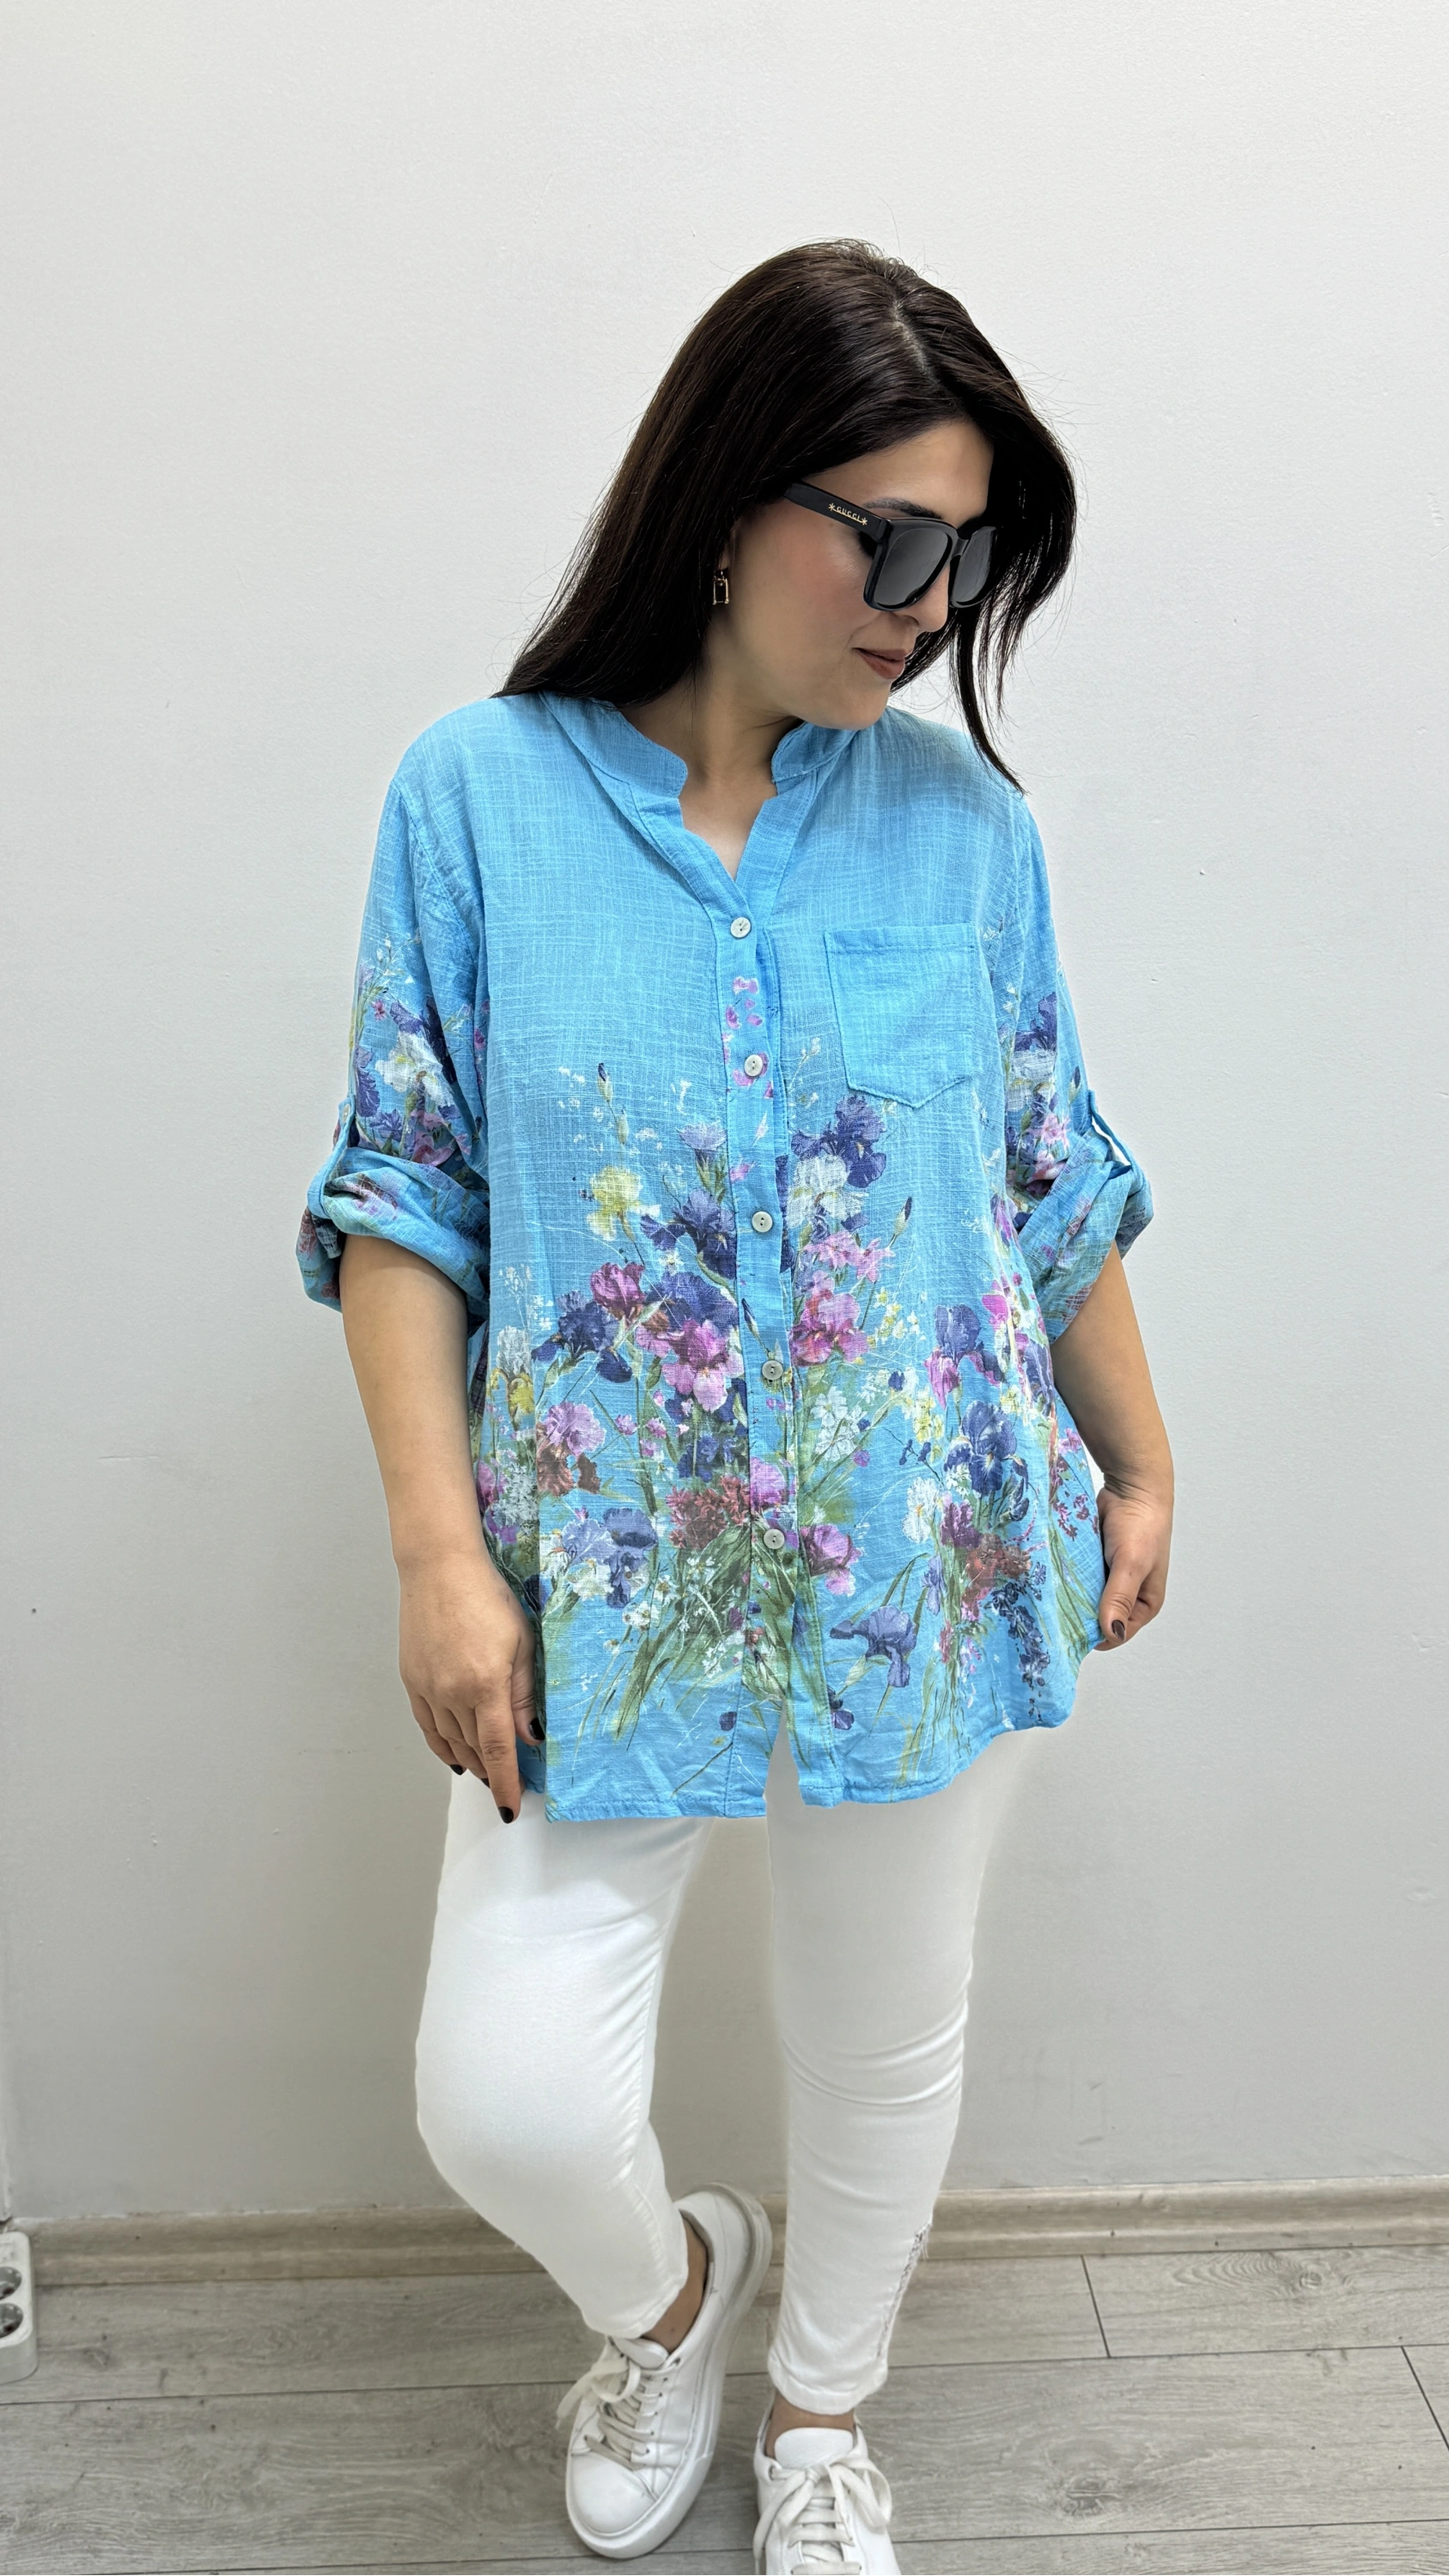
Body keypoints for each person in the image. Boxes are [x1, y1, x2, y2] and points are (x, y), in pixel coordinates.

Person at [298, 240, 1172, 2573]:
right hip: (596, 1579)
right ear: (721, 497)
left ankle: (820, 2417)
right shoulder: (475, 801)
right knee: (502, 2095)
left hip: (928, 1543)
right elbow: (404, 1195)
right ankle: (673, 2302)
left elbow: (1043, 1177)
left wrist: (1140, 1451)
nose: (924, 606)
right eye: (883, 539)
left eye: (963, 557)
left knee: (884, 2031)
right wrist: (438, 1556)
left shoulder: (965, 836)